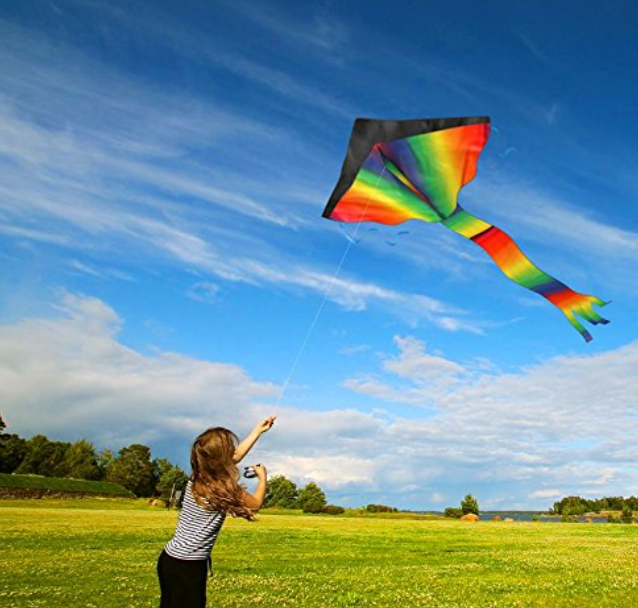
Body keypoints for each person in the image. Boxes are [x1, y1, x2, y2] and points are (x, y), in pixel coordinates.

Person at [157, 416, 275, 608]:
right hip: (190, 566)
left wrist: (258, 431)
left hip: (169, 559)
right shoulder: (224, 488)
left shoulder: (198, 476)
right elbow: (254, 505)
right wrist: (263, 478)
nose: (232, 452)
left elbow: (235, 457)